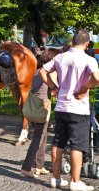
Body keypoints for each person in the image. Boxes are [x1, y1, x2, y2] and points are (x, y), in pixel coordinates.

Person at [40, 29, 99, 191]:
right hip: (79, 110)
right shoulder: (88, 59)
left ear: (73, 42)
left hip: (61, 107)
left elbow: (42, 71)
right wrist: (84, 88)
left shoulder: (60, 57)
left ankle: (56, 178)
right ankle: (75, 181)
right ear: (87, 44)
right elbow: (97, 79)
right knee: (77, 145)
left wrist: (53, 87)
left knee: (58, 142)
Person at [20, 48, 60, 178]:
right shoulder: (46, 73)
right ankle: (26, 168)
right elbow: (49, 92)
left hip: (35, 108)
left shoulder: (38, 71)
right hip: (41, 109)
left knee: (42, 137)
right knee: (38, 138)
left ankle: (39, 165)